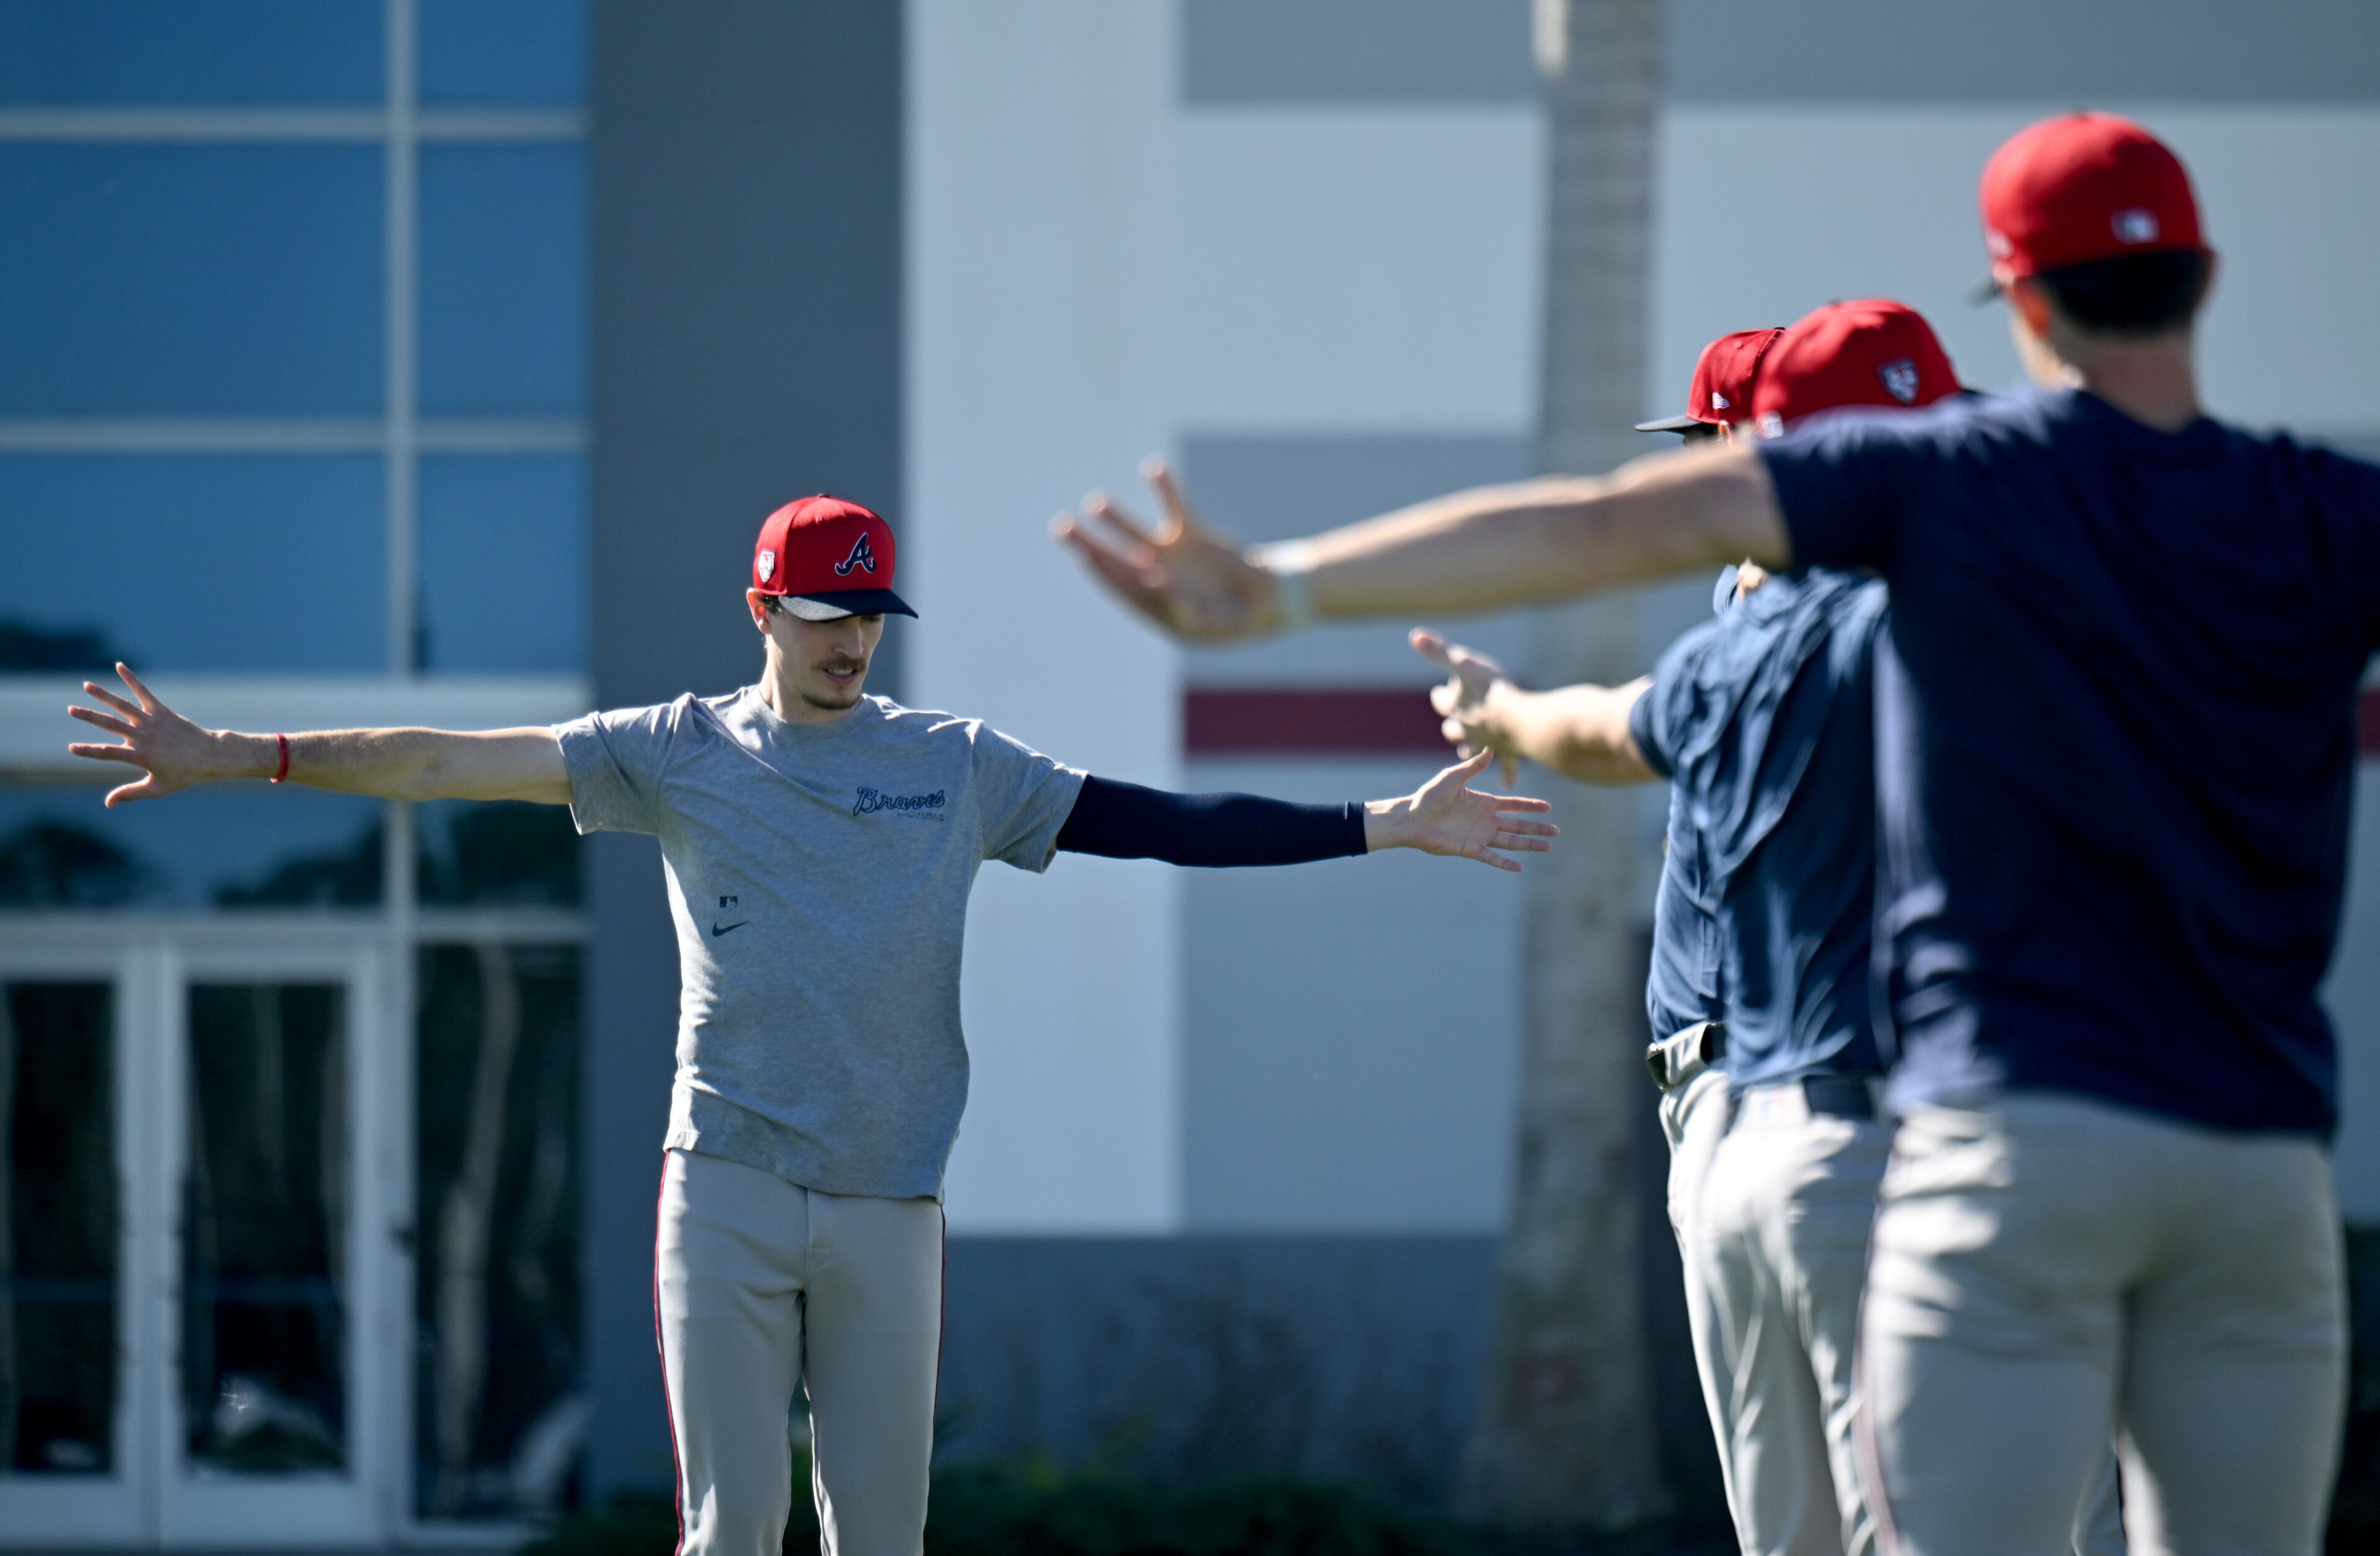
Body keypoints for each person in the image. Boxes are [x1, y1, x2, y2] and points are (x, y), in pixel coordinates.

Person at [1056, 110, 2375, 1554]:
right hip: (2261, 1161)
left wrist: (1286, 587)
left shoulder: (1951, 483)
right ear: (2208, 279)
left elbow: (1595, 530)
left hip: (2016, 1136)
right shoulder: (2325, 506)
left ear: (2027, 300)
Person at [64, 494, 1559, 1556]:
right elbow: (445, 758)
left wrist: (1384, 824)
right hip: (721, 1184)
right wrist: (245, 756)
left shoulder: (957, 764)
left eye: (874, 614)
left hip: (889, 1199)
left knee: (882, 1537)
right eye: (829, 613)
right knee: (731, 1529)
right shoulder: (667, 754)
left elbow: (1160, 820)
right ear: (767, 608)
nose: (856, 641)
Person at [1422, 302, 2123, 1556]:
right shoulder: (1765, 634)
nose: (1700, 469)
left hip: (1878, 1120)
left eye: (1716, 441)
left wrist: (1499, 705)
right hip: (1760, 1109)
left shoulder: (1878, 616)